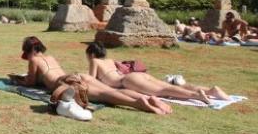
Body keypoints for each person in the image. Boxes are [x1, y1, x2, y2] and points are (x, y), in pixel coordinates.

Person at [14, 36, 171, 115]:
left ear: (29, 51)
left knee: (106, 95)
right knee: (112, 91)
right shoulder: (51, 57)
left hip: (67, 82)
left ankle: (140, 103)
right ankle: (149, 98)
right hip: (77, 75)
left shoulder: (34, 60)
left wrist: (17, 80)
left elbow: (31, 81)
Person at [85, 42, 228, 102]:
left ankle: (197, 96)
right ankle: (210, 91)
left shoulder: (94, 61)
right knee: (170, 87)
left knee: (165, 90)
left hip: (128, 81)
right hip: (137, 76)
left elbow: (91, 80)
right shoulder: (110, 60)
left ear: (91, 54)